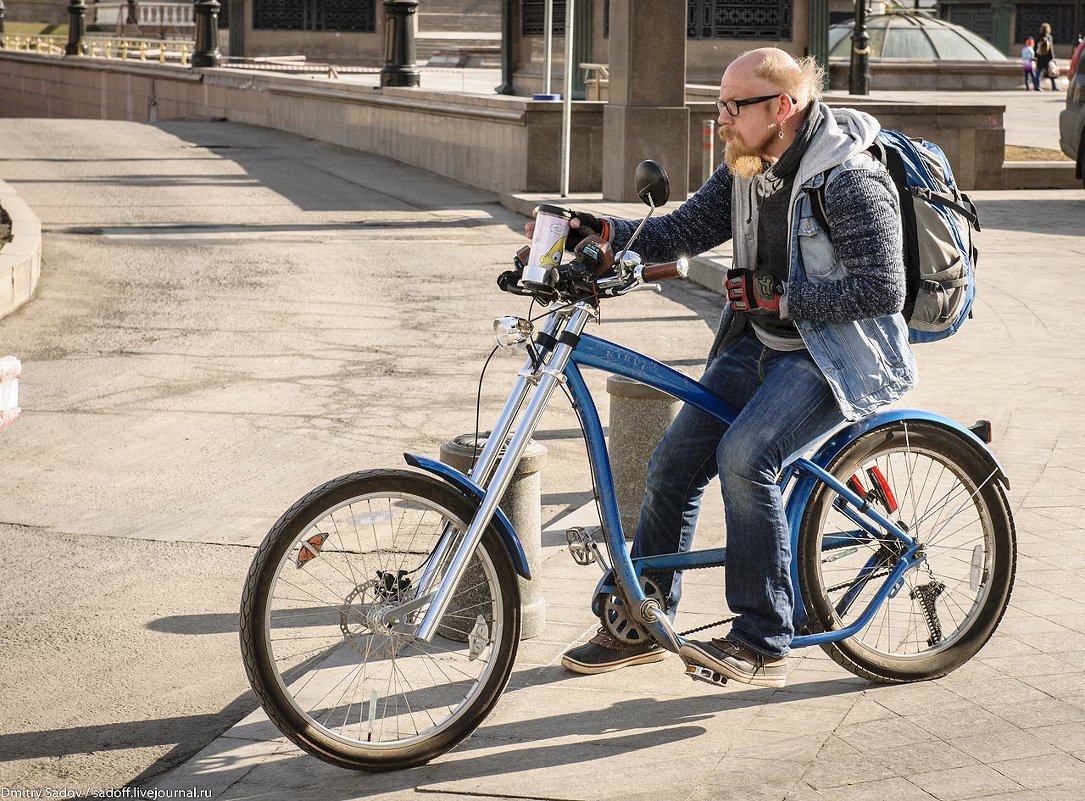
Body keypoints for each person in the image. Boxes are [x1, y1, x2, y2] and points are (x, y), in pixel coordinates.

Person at [527, 48, 915, 688]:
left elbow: (882, 291)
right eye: (720, 104)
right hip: (760, 342)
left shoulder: (848, 178)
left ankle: (763, 638)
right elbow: (676, 231)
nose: (722, 118)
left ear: (782, 108)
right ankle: (641, 621)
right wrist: (586, 229)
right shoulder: (746, 163)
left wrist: (780, 297)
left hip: (831, 355)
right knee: (674, 462)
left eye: (735, 106)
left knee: (745, 457)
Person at [1035, 23, 1058, 91]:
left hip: (1040, 57)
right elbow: (1051, 49)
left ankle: (1036, 86)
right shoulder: (1049, 37)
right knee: (1052, 72)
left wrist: (1036, 56)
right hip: (1048, 58)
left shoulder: (1038, 36)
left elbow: (1035, 47)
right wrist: (1052, 58)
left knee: (1038, 73)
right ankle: (1054, 87)